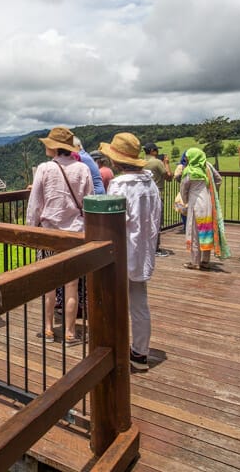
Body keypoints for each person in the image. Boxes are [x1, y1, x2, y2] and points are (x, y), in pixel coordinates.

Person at [99, 132, 160, 371]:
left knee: (113, 301)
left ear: (116, 160)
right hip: (144, 248)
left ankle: (113, 347)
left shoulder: (120, 185)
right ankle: (140, 351)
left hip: (122, 251)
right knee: (139, 301)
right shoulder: (149, 183)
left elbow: (114, 221)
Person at [26, 126, 93, 345]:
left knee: (49, 284)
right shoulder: (82, 169)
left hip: (49, 235)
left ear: (54, 147)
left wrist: (30, 230)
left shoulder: (44, 169)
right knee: (71, 285)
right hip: (74, 234)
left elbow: (34, 204)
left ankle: (47, 329)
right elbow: (89, 201)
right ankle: (70, 333)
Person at [179, 147, 229, 270]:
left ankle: (195, 262)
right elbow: (218, 179)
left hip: (195, 204)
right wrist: (212, 192)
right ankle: (205, 261)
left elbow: (183, 189)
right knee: (206, 232)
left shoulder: (189, 170)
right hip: (208, 203)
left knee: (195, 233)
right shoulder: (207, 166)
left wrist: (185, 201)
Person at [143, 142, 173, 257]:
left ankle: (146, 246)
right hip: (157, 195)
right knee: (157, 222)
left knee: (146, 222)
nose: (158, 152)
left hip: (145, 195)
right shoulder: (157, 162)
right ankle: (155, 248)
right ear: (152, 151)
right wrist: (166, 163)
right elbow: (169, 177)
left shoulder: (142, 162)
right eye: (156, 150)